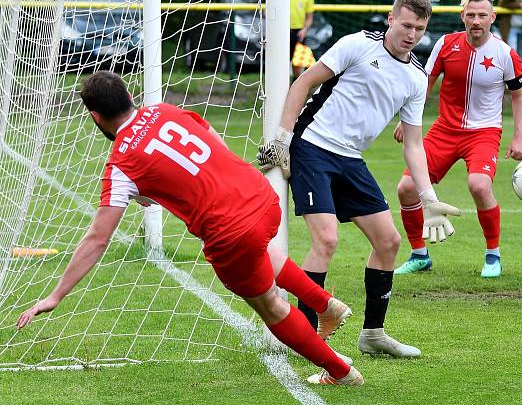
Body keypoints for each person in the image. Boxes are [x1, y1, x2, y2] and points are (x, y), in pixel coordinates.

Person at [16, 71, 363, 386]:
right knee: (260, 250)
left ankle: (340, 372)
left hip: (231, 232)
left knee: (270, 304)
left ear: (95, 117)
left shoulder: (121, 162)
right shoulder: (164, 110)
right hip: (258, 195)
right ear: (129, 96)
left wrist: (55, 295)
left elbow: (98, 238)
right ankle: (324, 305)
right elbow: (211, 139)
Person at [257, 0, 461, 358]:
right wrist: (284, 138)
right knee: (327, 240)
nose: (412, 34)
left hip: (350, 158)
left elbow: (413, 144)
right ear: (390, 19)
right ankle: (304, 336)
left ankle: (373, 334)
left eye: (419, 28)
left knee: (389, 242)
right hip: (313, 146)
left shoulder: (416, 78)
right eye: (406, 25)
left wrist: (428, 196)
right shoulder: (357, 45)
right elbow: (303, 83)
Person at [393, 0, 522, 278]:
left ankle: (493, 255)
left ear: (492, 17)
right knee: (406, 189)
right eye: (471, 15)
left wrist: (519, 136)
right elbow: (424, 83)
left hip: (484, 132)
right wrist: (407, 118)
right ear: (462, 16)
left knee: (479, 185)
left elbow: (518, 94)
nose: (476, 21)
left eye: (482, 15)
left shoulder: (505, 54)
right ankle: (419, 255)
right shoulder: (446, 44)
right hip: (444, 130)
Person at [290, 0, 315, 80]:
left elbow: (309, 18)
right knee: (281, 63)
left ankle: (294, 91)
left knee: (298, 65)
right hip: (283, 32)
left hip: (299, 33)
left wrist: (304, 29)